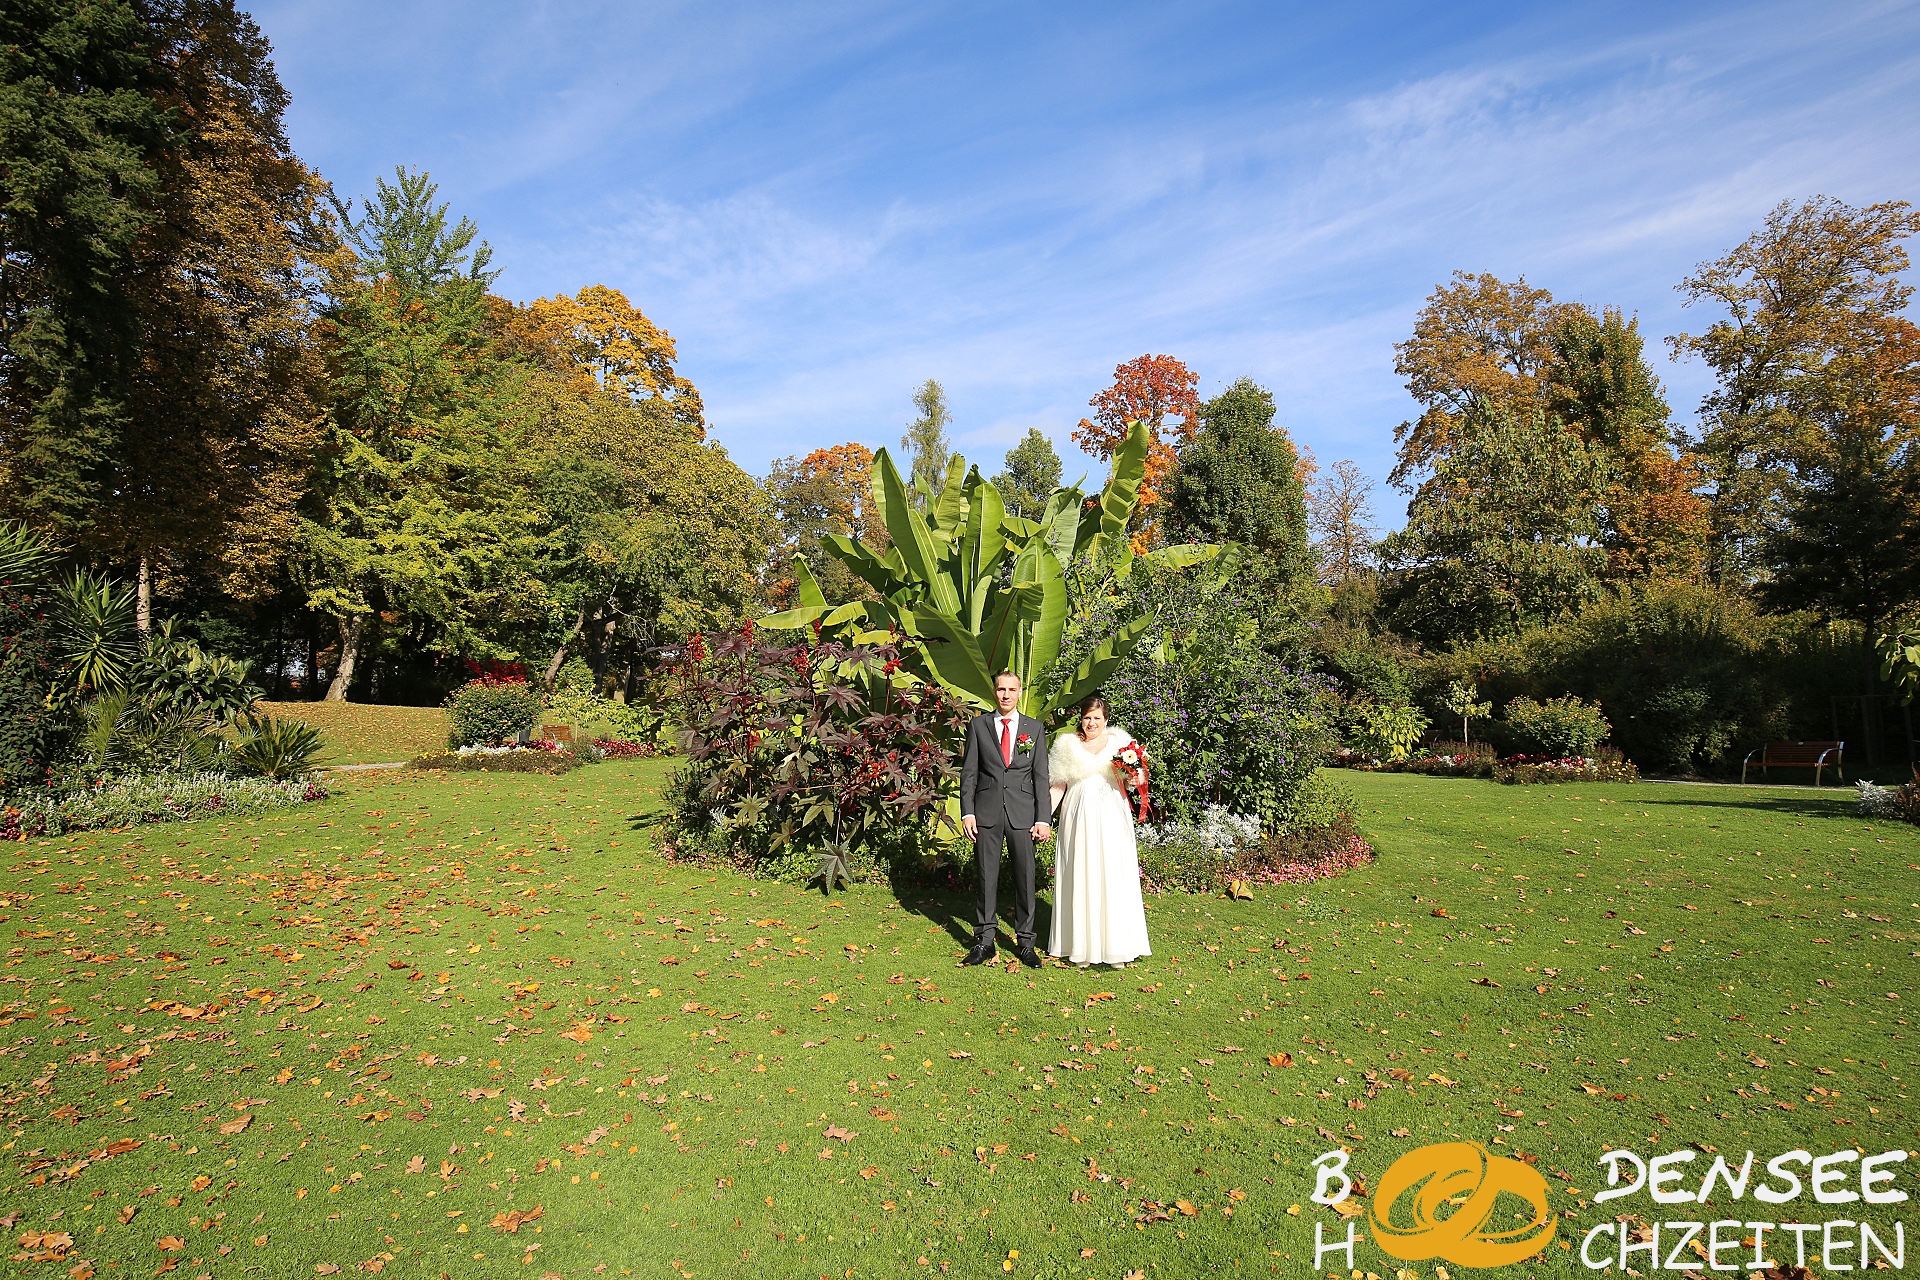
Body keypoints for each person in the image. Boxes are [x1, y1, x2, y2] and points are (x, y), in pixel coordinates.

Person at [1045, 693, 1151, 967]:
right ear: (1080, 719)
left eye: (1097, 718)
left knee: (1112, 874)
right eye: (1087, 718)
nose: (1091, 723)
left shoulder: (1120, 744)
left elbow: (1131, 782)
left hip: (1111, 816)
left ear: (1106, 719)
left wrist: (1134, 776)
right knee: (1080, 873)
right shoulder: (1066, 745)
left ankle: (1116, 948)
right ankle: (1079, 947)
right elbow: (1058, 786)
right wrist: (1042, 818)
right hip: (1077, 817)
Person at [958, 671, 1052, 968]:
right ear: (995, 692)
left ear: (1019, 692)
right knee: (987, 877)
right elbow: (970, 772)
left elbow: (1041, 777)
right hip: (986, 812)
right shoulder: (979, 726)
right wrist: (968, 811)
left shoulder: (1034, 729)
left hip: (1023, 814)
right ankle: (984, 941)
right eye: (1001, 689)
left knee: (1025, 878)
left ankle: (1025, 942)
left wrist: (1043, 818)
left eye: (1012, 690)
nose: (1006, 695)